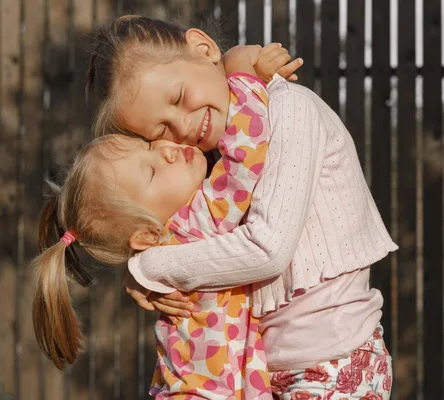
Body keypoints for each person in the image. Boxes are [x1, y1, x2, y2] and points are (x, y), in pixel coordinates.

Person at [85, 15, 397, 399]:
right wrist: (141, 269)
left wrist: (151, 266)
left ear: (204, 50)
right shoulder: (217, 158)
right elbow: (181, 232)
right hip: (270, 371)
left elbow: (267, 249)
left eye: (179, 98)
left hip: (333, 358)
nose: (181, 127)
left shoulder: (290, 111)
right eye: (160, 131)